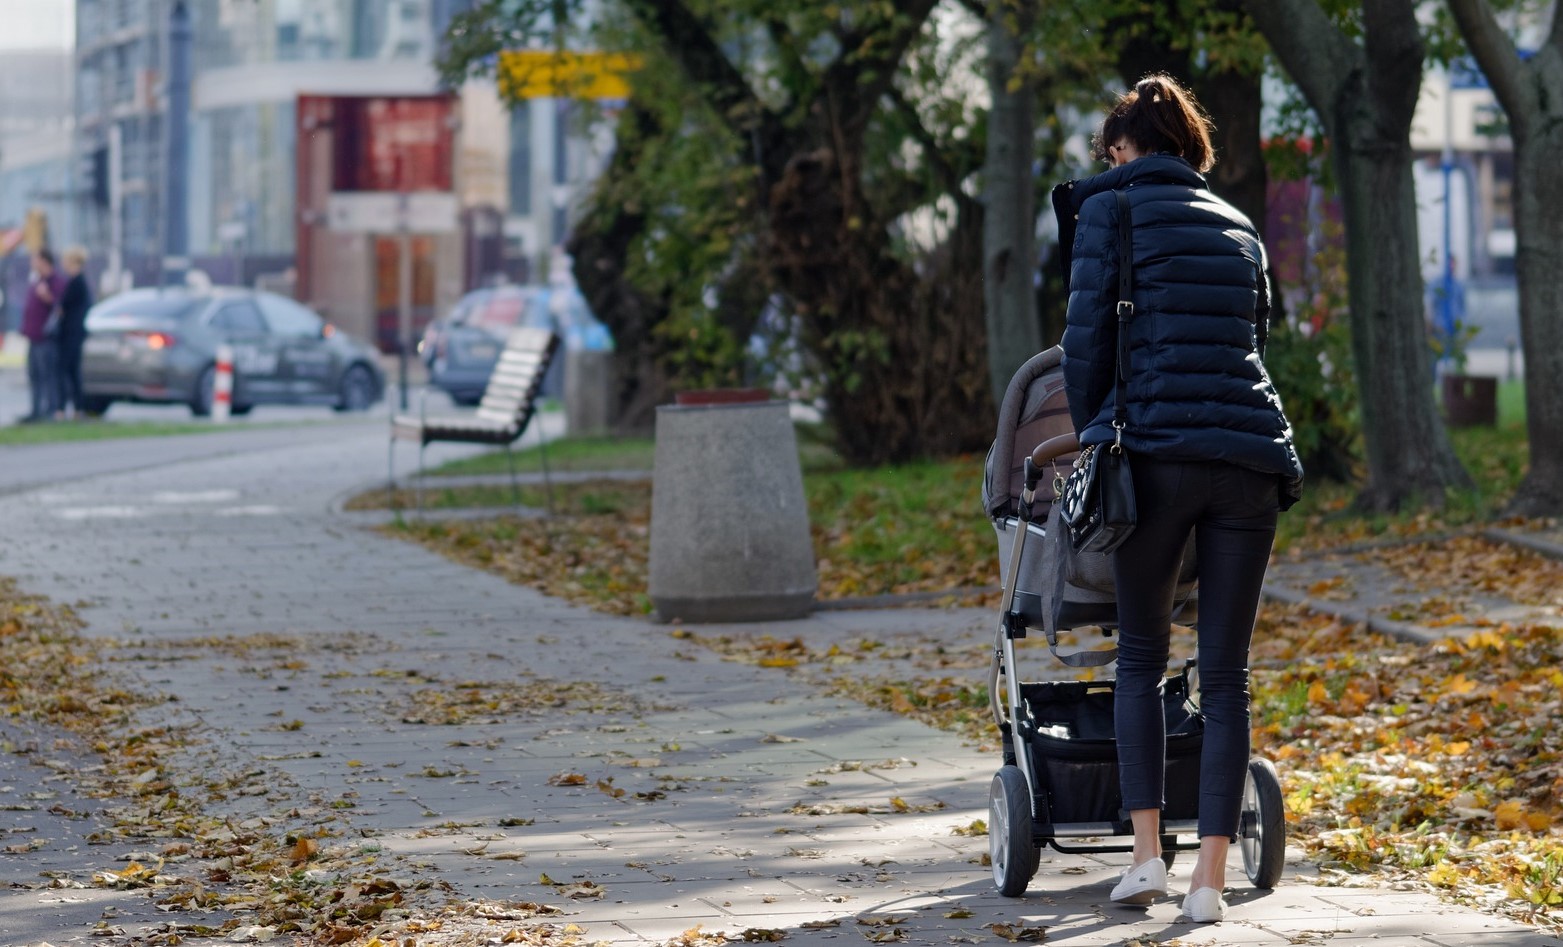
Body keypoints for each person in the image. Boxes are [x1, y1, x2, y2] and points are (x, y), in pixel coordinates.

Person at [1053, 74, 1304, 923]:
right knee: (1225, 672)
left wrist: (1099, 440)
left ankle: (1147, 860)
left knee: (1139, 657)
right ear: (1188, 149)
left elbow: (1083, 347)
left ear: (1123, 150)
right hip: (1249, 459)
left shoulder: (1105, 211)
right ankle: (1209, 882)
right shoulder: (1238, 225)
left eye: (1109, 152)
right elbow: (1256, 341)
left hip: (1153, 455)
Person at [19, 248, 65, 423]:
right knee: (34, 374)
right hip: (33, 336)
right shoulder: (36, 280)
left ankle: (51, 411)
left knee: (48, 375)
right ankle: (36, 411)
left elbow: (60, 308)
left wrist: (47, 297)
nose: (32, 263)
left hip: (46, 338)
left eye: (35, 259)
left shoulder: (56, 282)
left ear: (44, 261)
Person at [55, 246, 94, 418]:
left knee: (65, 370)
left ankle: (63, 408)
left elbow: (63, 308)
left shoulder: (76, 282)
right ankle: (77, 408)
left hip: (71, 333)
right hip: (75, 332)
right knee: (72, 371)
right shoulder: (80, 282)